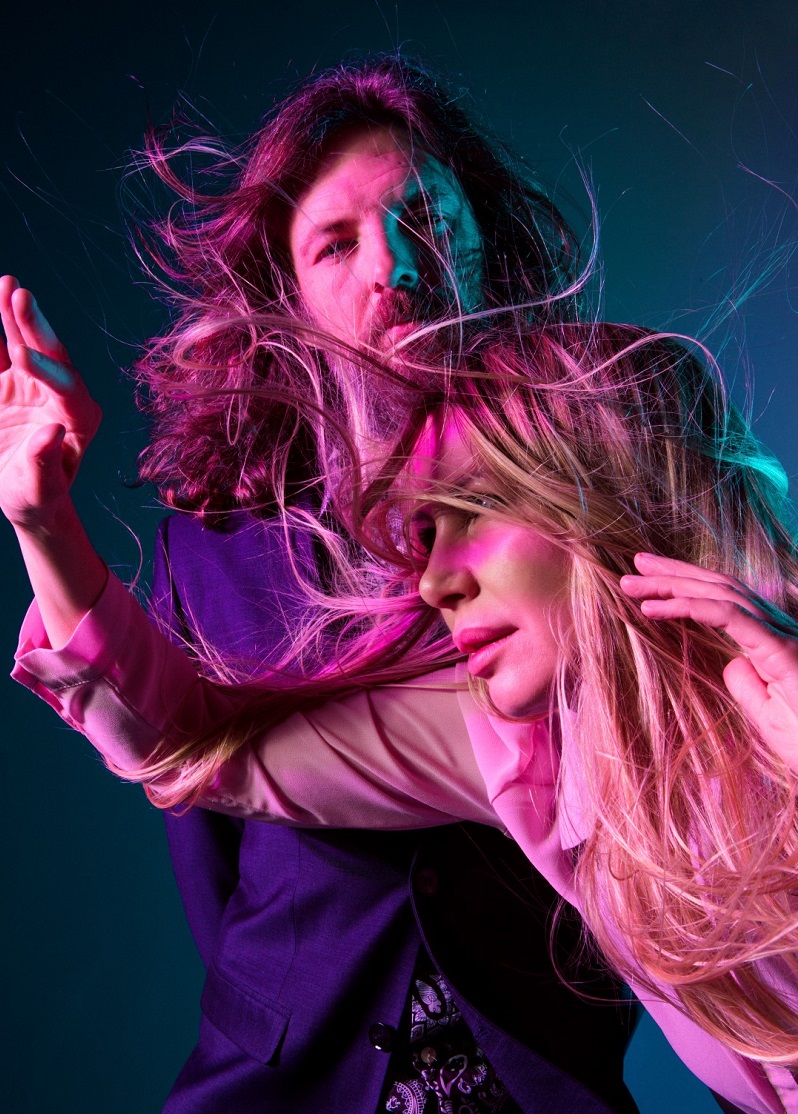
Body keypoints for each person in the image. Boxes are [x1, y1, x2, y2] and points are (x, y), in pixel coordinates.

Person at [0, 53, 640, 1114]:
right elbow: (205, 832)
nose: (393, 266)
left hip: (543, 1070)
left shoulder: (595, 484)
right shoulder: (212, 550)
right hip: (280, 1078)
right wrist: (40, 519)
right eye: (335, 244)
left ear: (482, 238)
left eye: (425, 219)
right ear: (287, 298)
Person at [5, 315, 798, 1114]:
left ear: (612, 487)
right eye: (427, 532)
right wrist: (45, 525)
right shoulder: (521, 748)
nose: (433, 582)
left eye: (476, 506)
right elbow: (202, 749)